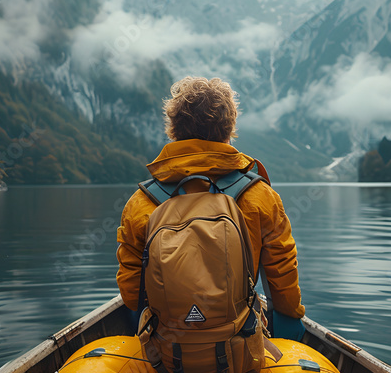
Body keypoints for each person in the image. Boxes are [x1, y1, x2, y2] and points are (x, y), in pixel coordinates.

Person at [115, 76, 305, 341]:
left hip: (167, 351)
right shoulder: (260, 195)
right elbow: (282, 278)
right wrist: (291, 323)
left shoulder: (141, 202)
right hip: (241, 343)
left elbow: (132, 294)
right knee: (289, 325)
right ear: (229, 129)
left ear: (174, 128)